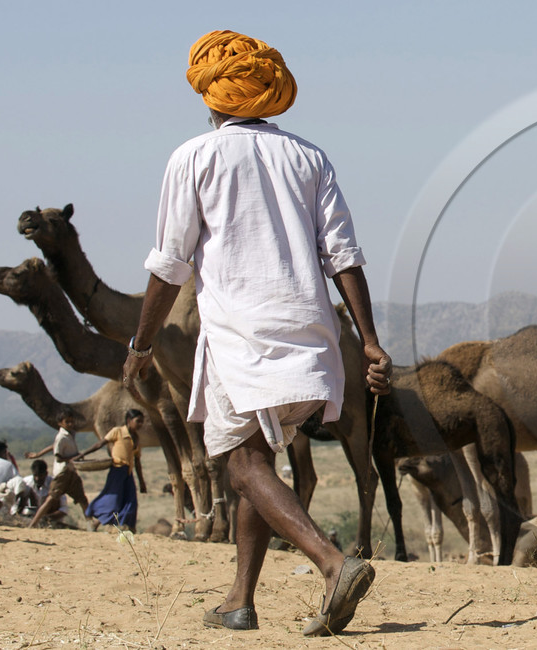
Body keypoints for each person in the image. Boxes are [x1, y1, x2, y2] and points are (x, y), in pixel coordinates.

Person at [122, 30, 392, 635]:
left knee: (241, 464)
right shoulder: (309, 157)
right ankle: (239, 600)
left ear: (209, 97)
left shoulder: (193, 157)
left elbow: (169, 265)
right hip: (315, 334)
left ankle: (332, 562)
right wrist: (369, 341)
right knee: (260, 457)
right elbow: (343, 255)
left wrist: (141, 345)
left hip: (241, 337)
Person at [80, 410, 147, 533]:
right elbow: (100, 444)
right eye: (138, 421)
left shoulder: (136, 438)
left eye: (142, 422)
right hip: (117, 470)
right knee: (113, 500)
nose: (140, 424)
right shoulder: (118, 432)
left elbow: (137, 461)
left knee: (131, 500)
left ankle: (130, 527)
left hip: (128, 472)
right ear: (129, 420)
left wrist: (142, 482)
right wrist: (83, 454)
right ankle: (94, 521)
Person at [25, 414, 89, 527]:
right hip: (62, 472)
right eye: (67, 422)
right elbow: (58, 457)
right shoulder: (61, 437)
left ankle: (91, 525)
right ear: (60, 423)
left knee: (82, 499)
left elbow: (53, 446)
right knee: (52, 498)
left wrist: (38, 454)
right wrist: (75, 458)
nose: (70, 424)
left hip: (71, 471)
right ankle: (33, 524)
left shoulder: (69, 435)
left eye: (71, 421)